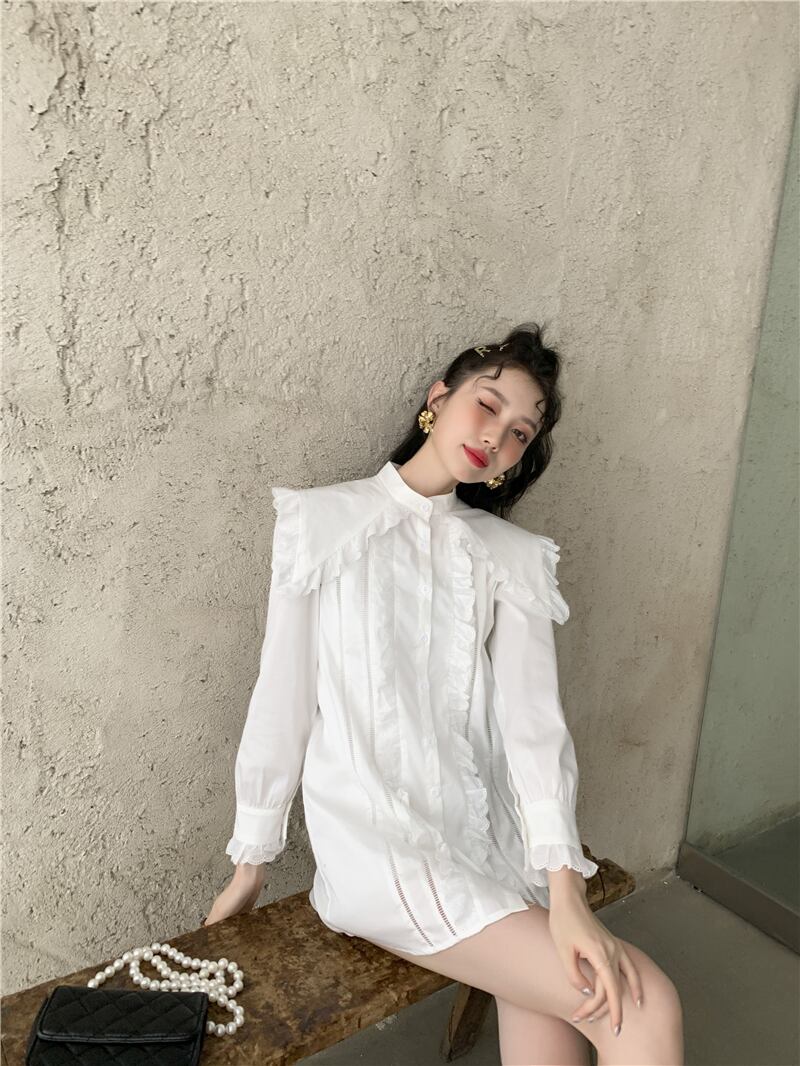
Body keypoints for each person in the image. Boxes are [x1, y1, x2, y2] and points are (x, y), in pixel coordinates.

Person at [205, 324, 685, 1065]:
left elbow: (534, 728)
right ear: (438, 398)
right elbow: (283, 697)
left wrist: (565, 894)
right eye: (487, 406)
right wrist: (251, 860)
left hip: (494, 841)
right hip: (382, 850)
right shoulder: (323, 524)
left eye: (520, 432)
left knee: (560, 1026)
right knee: (640, 1003)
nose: (496, 436)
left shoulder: (511, 559)